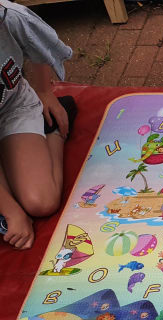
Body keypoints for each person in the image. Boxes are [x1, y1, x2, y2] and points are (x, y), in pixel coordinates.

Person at [0, 0, 75, 250]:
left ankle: (53, 130)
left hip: (12, 108)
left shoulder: (10, 16)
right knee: (13, 206)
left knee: (41, 202)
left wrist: (45, 92)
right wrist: (11, 211)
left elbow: (38, 45)